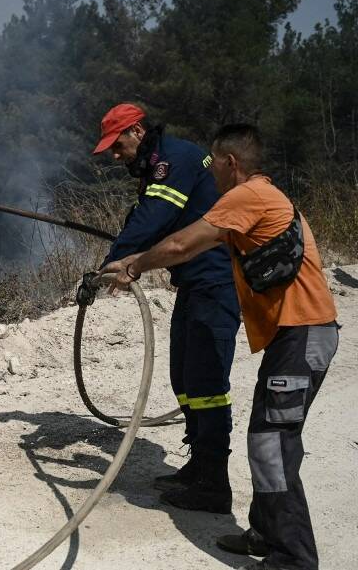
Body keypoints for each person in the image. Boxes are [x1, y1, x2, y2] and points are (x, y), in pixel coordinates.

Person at [103, 123, 339, 570]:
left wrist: (133, 266)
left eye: (215, 164)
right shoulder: (260, 197)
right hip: (296, 335)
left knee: (272, 443)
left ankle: (293, 559)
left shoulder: (246, 196)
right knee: (267, 437)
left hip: (304, 333)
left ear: (231, 163)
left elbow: (180, 243)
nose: (208, 172)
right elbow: (191, 248)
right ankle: (265, 533)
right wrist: (135, 260)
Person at [82, 103, 241, 513]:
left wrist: (110, 266)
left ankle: (214, 484)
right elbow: (144, 216)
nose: (115, 156)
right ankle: (199, 466)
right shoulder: (159, 162)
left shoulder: (175, 160)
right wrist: (115, 260)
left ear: (137, 131)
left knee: (206, 386)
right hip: (194, 283)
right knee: (184, 379)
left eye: (117, 146)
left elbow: (154, 218)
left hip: (216, 282)